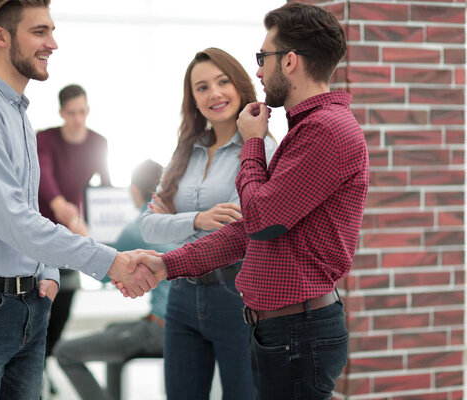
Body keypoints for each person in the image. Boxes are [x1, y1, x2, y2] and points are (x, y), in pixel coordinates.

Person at [130, 3, 369, 399]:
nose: (258, 70)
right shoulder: (307, 129)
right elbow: (248, 232)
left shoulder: (324, 131)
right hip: (279, 328)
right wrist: (166, 264)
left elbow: (258, 218)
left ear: (289, 61)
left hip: (296, 330)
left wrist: (252, 141)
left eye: (263, 58)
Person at [0, 1, 156, 399]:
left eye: (52, 30)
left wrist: (46, 269)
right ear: (1, 37)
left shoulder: (17, 115)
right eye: (39, 32)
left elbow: (27, 210)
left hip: (27, 304)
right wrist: (110, 261)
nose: (53, 43)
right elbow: (11, 219)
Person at [139, 48, 277, 400]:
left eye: (222, 82)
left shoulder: (261, 147)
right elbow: (148, 226)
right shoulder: (186, 151)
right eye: (202, 87)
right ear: (193, 100)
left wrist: (175, 221)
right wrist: (198, 219)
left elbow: (241, 225)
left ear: (239, 86)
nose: (214, 93)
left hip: (238, 296)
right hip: (181, 294)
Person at [53, 159, 174, 400]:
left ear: (134, 191)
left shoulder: (138, 227)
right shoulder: (181, 218)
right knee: (113, 331)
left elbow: (107, 274)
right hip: (181, 324)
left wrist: (83, 234)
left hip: (161, 331)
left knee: (64, 351)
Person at [37, 84, 111, 365]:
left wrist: (103, 227)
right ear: (61, 113)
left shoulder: (98, 142)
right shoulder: (45, 138)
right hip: (43, 229)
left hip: (74, 232)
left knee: (65, 305)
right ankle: (35, 368)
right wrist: (59, 205)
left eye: (82, 112)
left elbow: (103, 190)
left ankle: (43, 363)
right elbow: (45, 176)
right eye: (71, 113)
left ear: (87, 110)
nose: (78, 119)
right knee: (42, 303)